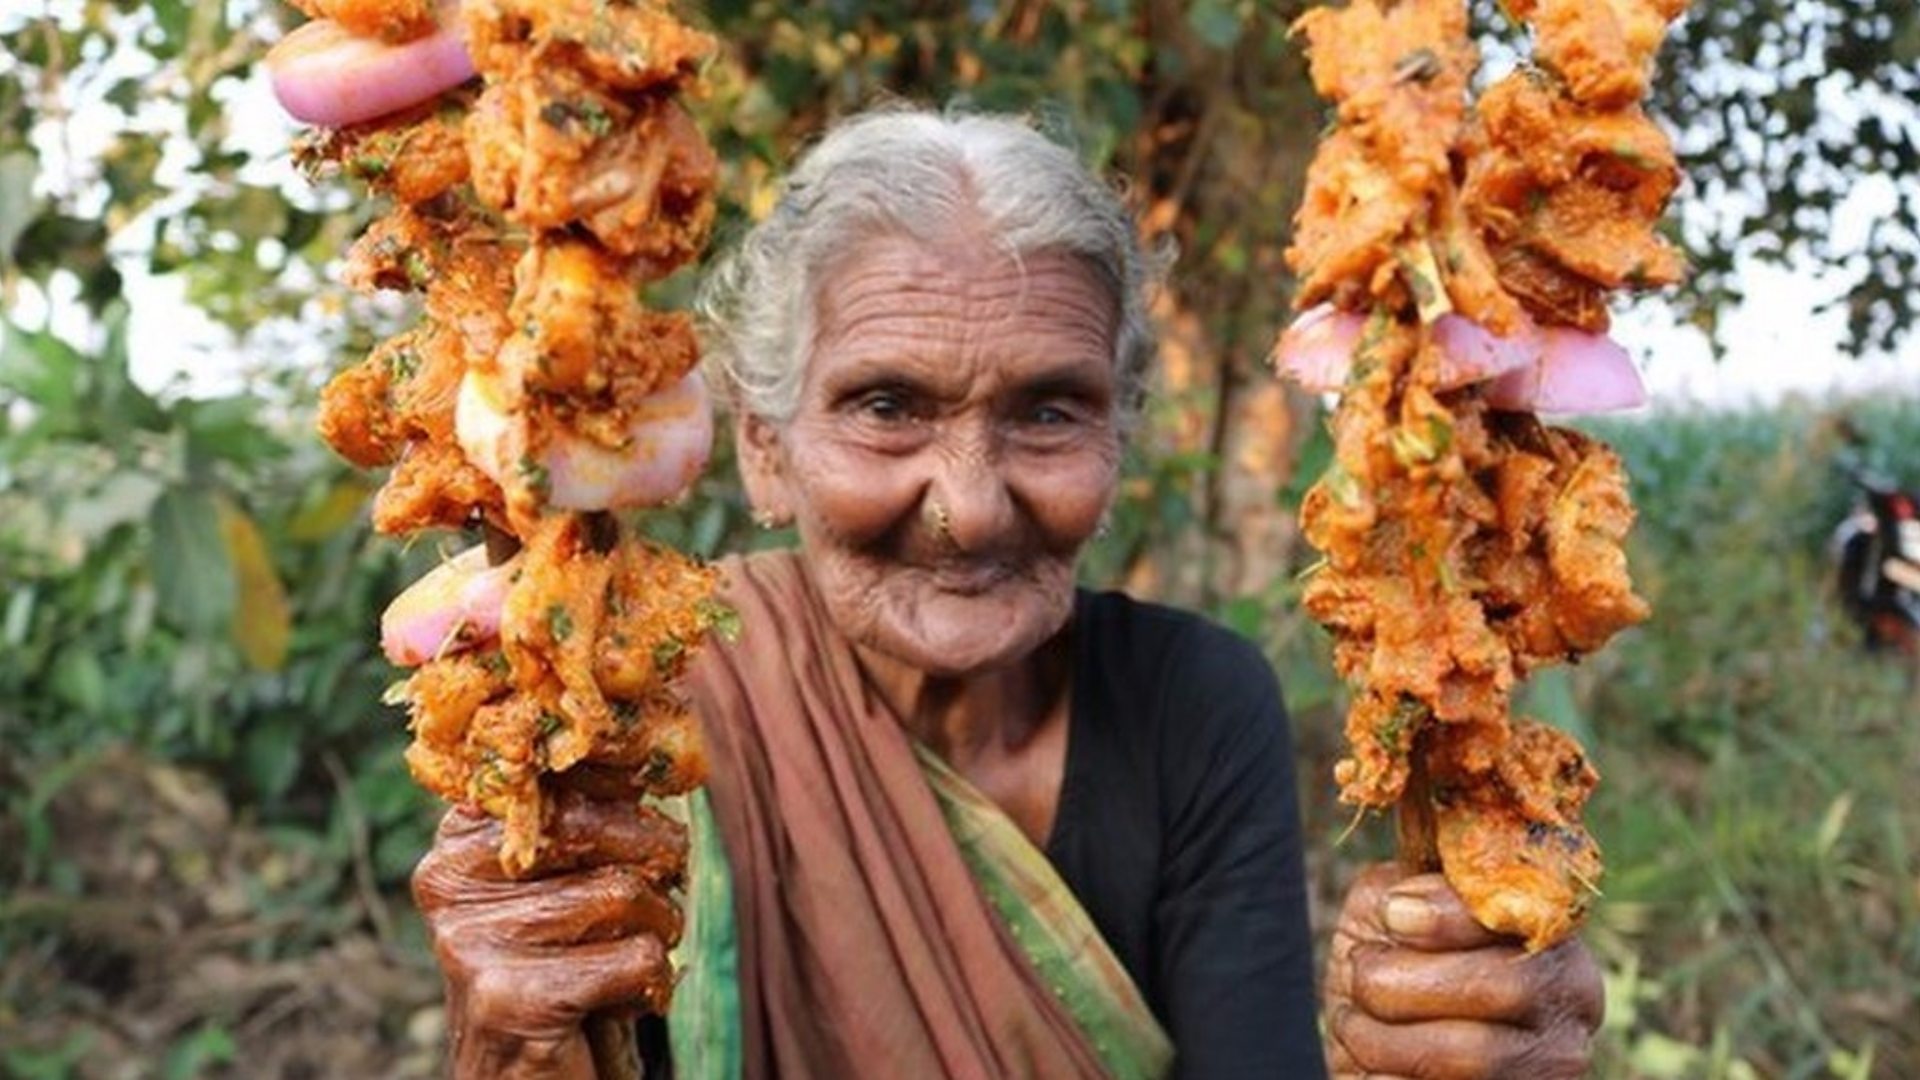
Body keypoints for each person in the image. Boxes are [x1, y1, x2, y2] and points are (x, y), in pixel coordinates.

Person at [408, 109, 1603, 1079]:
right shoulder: (637, 709)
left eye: (1048, 412)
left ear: (1120, 435)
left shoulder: (1193, 702)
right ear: (766, 447)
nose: (970, 507)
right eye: (887, 407)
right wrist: (505, 1041)